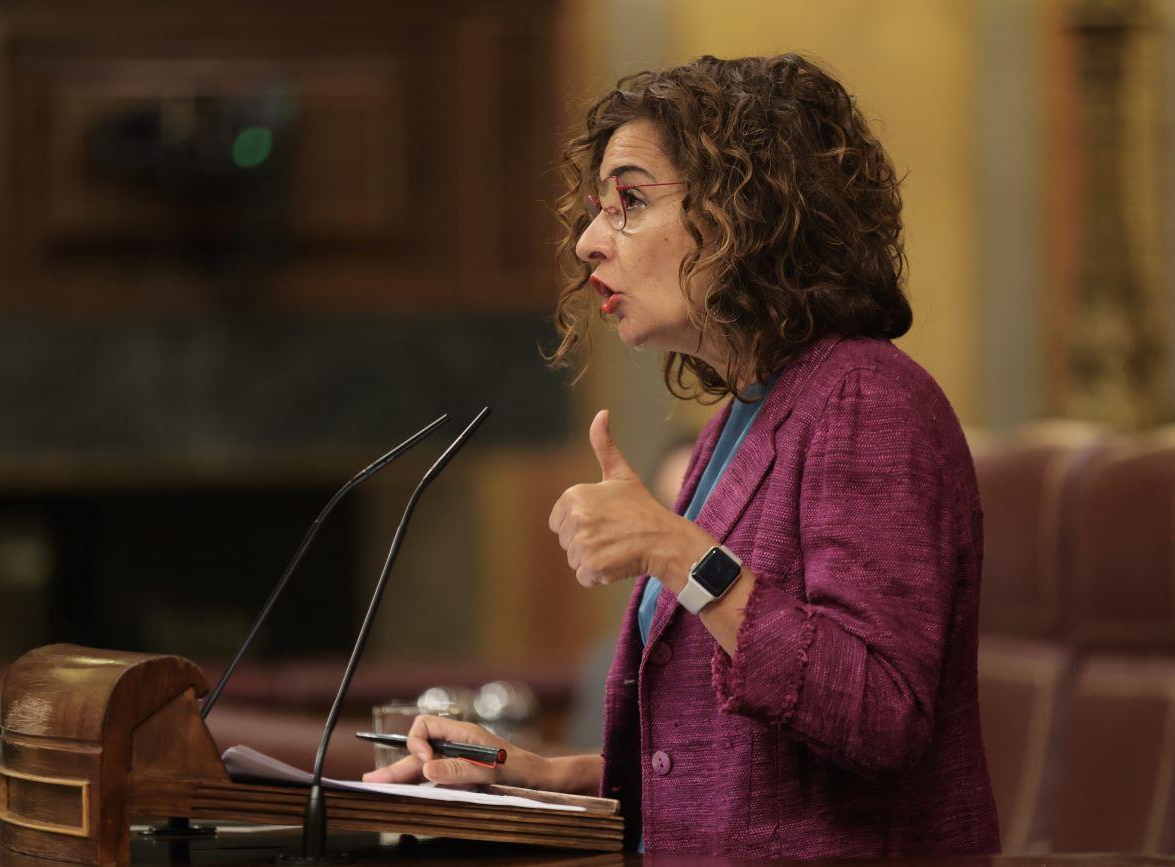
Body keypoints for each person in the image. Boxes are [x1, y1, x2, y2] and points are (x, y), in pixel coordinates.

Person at [365, 53, 1000, 858]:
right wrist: (519, 771)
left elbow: (877, 712)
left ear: (751, 212)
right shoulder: (740, 417)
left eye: (630, 200)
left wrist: (672, 546)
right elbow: (712, 779)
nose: (591, 241)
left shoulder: (867, 397)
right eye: (597, 209)